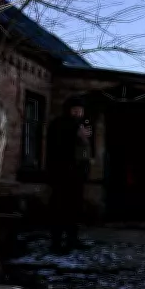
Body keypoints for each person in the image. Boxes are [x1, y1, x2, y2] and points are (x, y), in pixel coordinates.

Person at [46, 96, 92, 254]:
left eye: (80, 110)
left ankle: (73, 239)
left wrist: (85, 140)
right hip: (61, 174)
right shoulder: (59, 124)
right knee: (59, 208)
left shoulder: (82, 125)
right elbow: (58, 147)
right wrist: (76, 135)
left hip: (77, 176)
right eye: (75, 109)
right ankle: (56, 243)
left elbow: (84, 151)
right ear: (69, 110)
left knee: (74, 209)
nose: (78, 112)